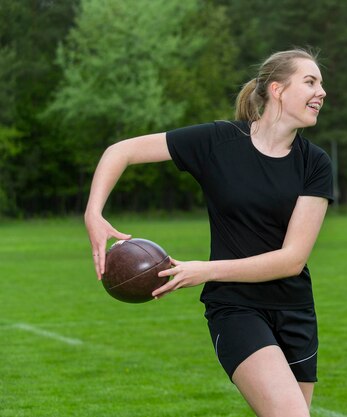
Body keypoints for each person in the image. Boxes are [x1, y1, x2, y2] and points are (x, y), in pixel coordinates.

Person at [85, 49, 332, 417]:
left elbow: (292, 259)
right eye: (310, 82)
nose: (322, 92)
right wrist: (94, 212)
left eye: (322, 84)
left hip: (295, 310)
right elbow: (122, 151)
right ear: (277, 89)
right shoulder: (217, 142)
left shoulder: (314, 163)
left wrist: (203, 270)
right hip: (236, 307)